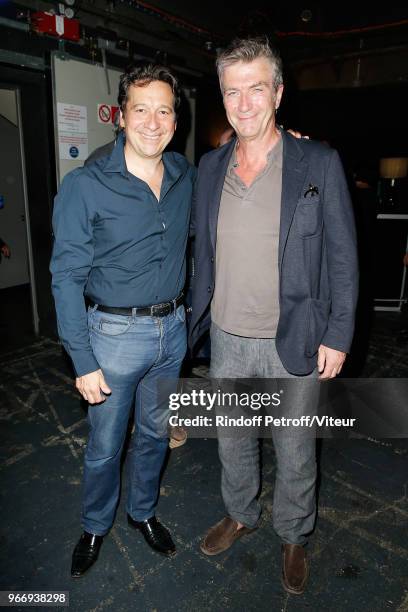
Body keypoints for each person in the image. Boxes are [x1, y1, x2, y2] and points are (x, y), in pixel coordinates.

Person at [189, 37, 358, 595]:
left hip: (297, 336)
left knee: (295, 447)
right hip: (227, 337)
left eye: (255, 89)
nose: (244, 103)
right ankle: (240, 512)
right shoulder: (210, 168)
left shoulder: (319, 161)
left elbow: (341, 255)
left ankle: (293, 533)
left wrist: (338, 332)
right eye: (232, 91)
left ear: (278, 93)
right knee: (232, 439)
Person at [50, 63, 196, 577]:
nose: (152, 122)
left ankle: (143, 513)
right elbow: (65, 276)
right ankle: (94, 525)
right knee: (105, 447)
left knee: (156, 435)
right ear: (120, 115)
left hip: (172, 334)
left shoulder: (184, 175)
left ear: (175, 121)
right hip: (111, 339)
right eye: (141, 109)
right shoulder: (85, 186)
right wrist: (82, 359)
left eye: (164, 111)